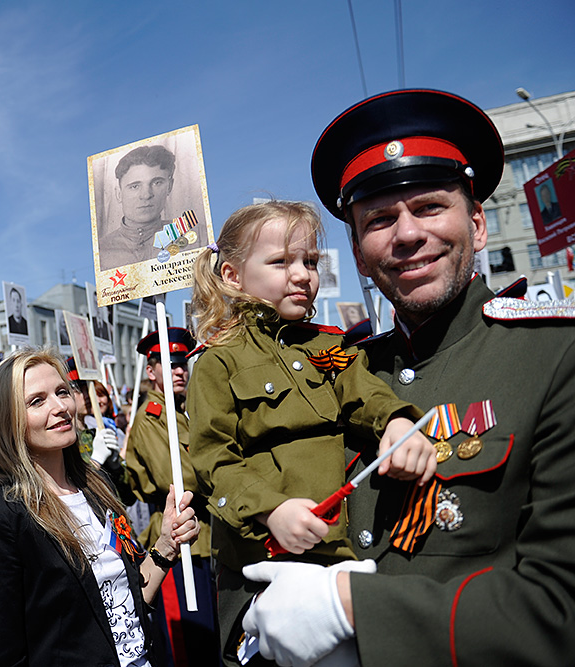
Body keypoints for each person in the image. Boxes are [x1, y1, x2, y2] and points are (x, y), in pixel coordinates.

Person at [240, 89, 575, 667]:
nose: (407, 235)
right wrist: (246, 632)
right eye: (379, 219)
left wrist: (351, 608)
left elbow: (561, 609)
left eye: (428, 207)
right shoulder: (338, 370)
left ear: (477, 222)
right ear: (358, 250)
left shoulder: (557, 354)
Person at [187, 201, 434, 664]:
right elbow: (212, 461)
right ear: (232, 275)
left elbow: (367, 395)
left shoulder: (331, 345)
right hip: (264, 562)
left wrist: (398, 421)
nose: (301, 274)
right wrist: (271, 509)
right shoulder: (218, 361)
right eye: (280, 262)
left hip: (346, 552)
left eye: (310, 261)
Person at [0, 349, 200, 666]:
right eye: (37, 401)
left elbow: (128, 599)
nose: (60, 407)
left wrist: (166, 545)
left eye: (62, 392)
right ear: (7, 420)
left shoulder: (98, 487)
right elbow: (1, 653)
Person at [123, 327, 219, 666]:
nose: (180, 371)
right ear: (151, 371)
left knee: (213, 643)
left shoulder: (188, 411)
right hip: (177, 547)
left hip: (208, 541)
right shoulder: (151, 419)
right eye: (169, 363)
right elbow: (176, 480)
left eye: (183, 364)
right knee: (186, 650)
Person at [98, 145, 206, 270]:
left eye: (157, 183)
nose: (146, 195)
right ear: (118, 194)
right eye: (135, 186)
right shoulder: (101, 250)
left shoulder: (198, 236)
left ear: (169, 186)